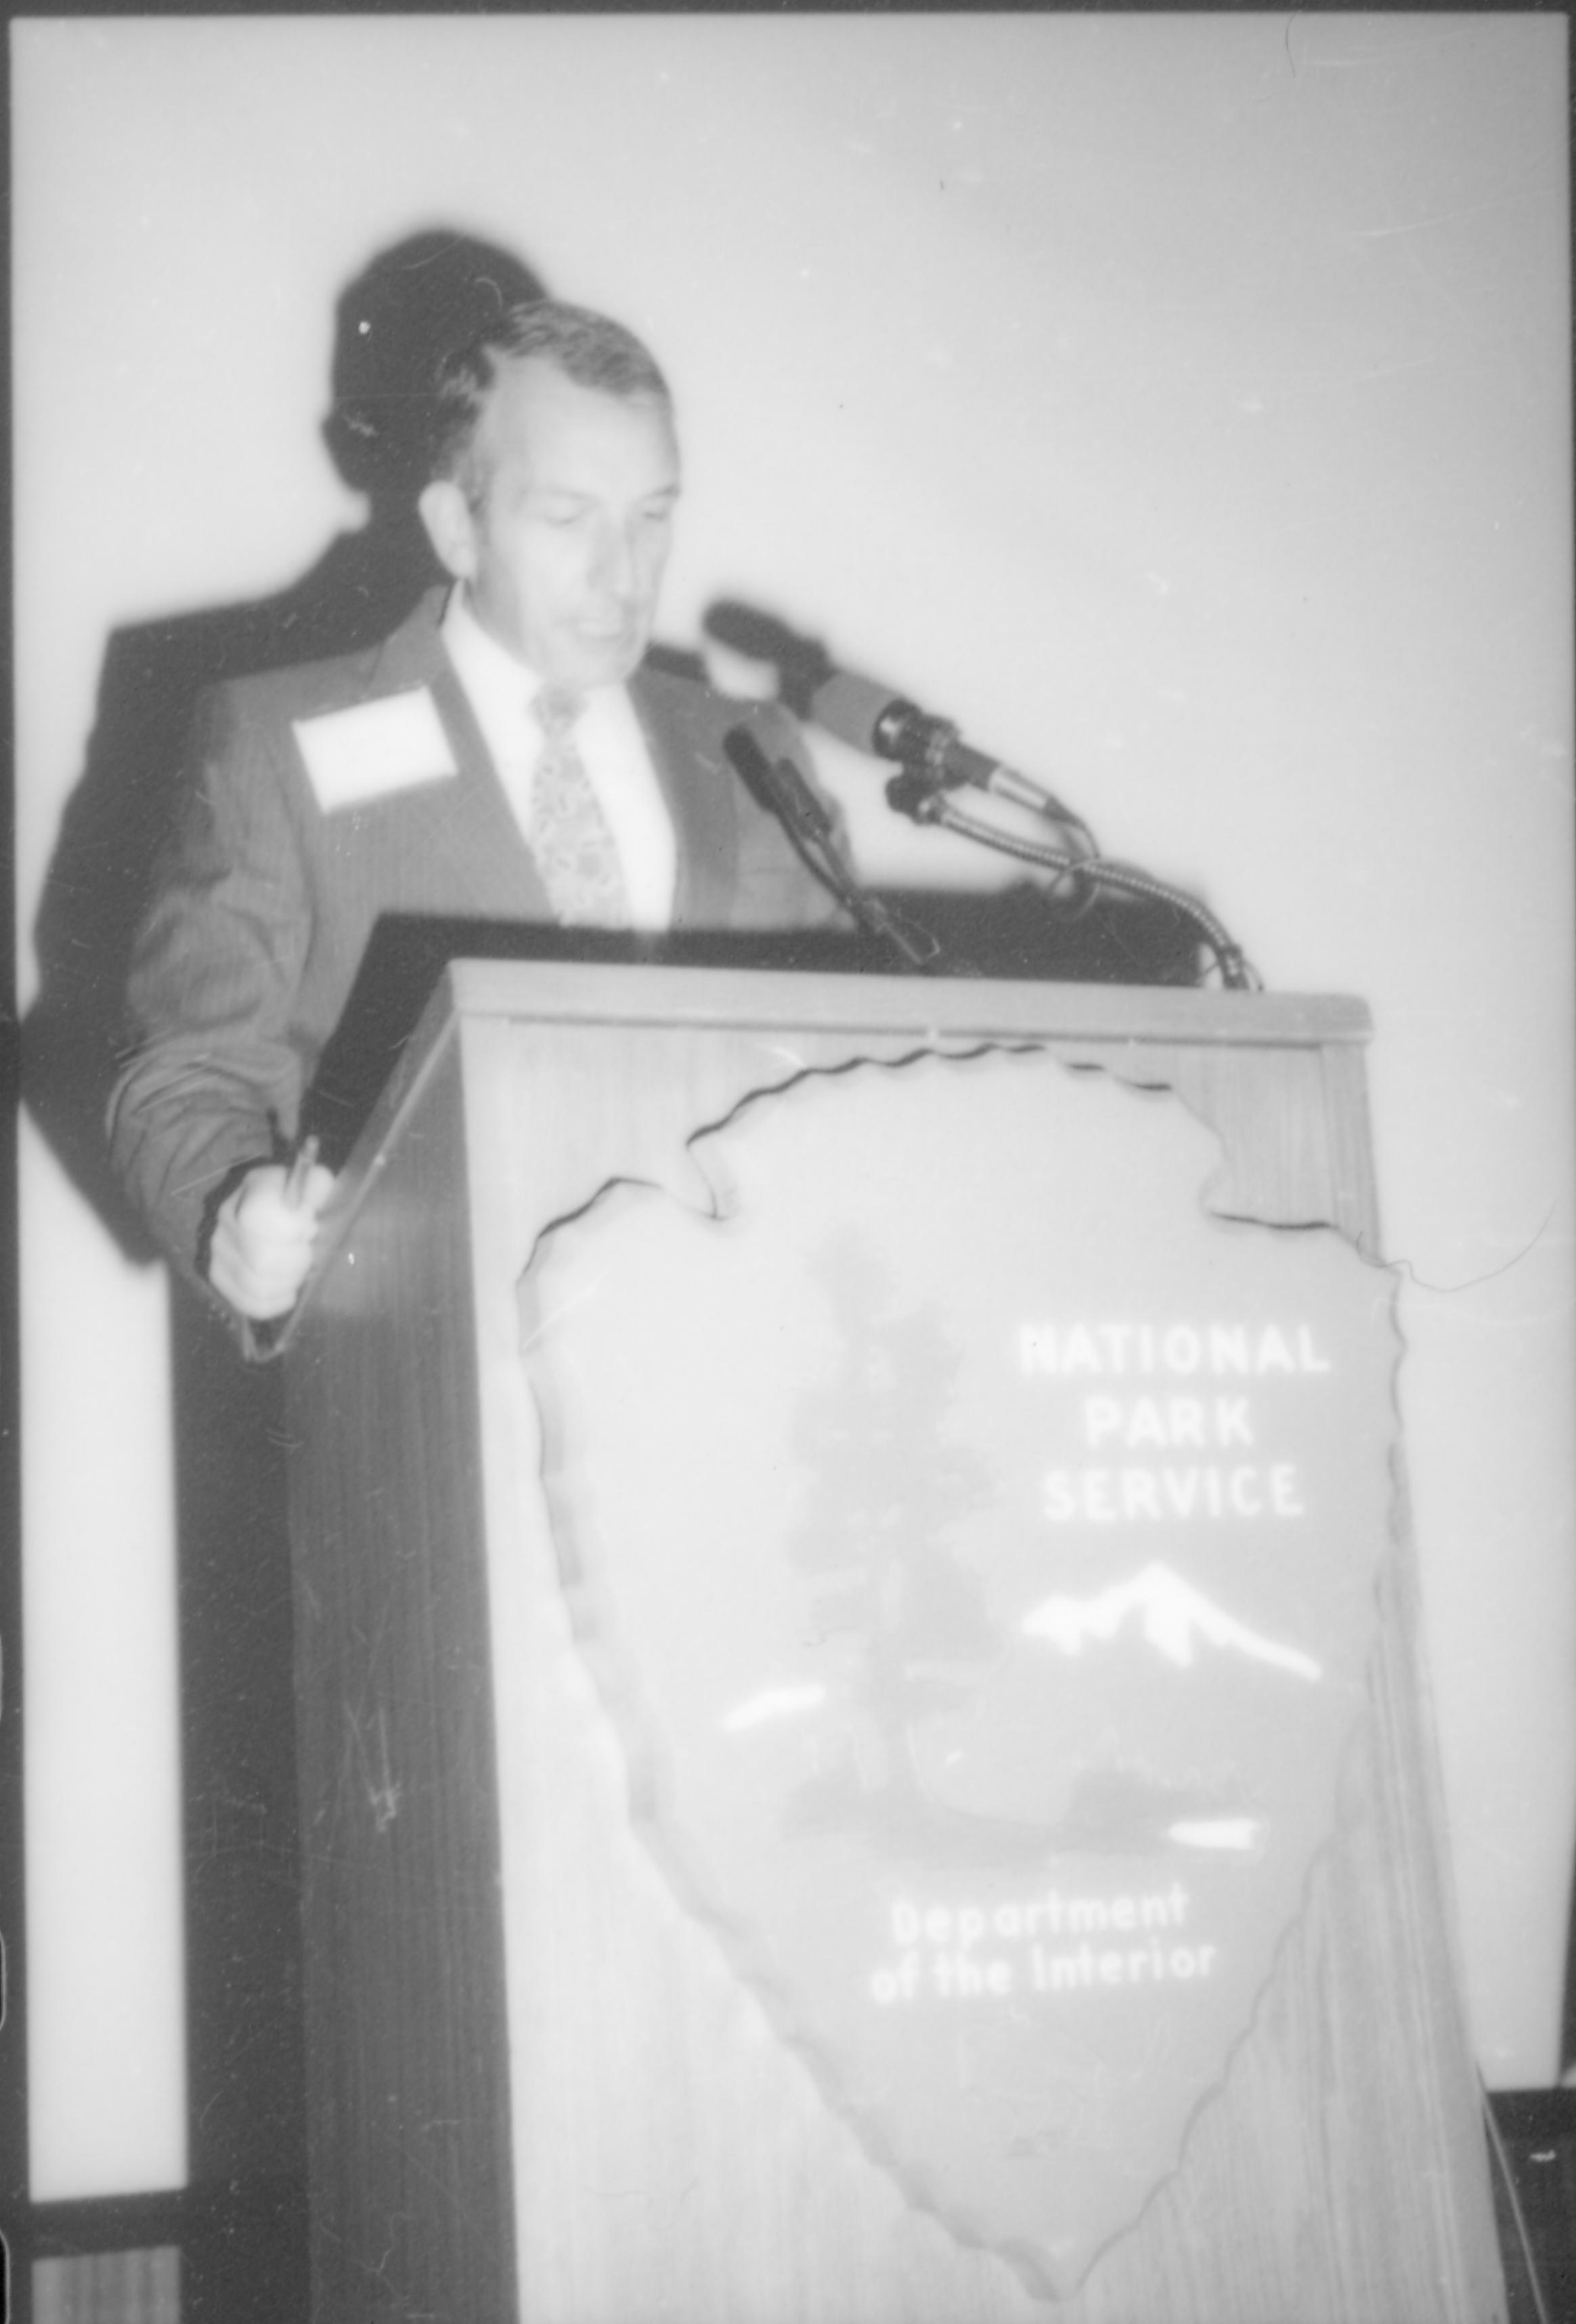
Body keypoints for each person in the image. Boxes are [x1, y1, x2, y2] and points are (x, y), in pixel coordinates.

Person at [109, 299, 846, 1332]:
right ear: (456, 524)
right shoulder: (276, 745)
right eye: (566, 517)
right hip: (433, 1362)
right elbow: (186, 1077)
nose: (623, 574)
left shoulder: (750, 752)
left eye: (651, 515)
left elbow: (845, 1053)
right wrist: (232, 1202)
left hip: (743, 1346)